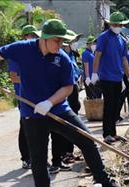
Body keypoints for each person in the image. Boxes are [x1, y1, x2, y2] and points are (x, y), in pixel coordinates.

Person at [0, 19, 122, 187]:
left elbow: (68, 87)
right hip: (32, 113)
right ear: (44, 38)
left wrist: (50, 102)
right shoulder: (23, 49)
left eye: (62, 40)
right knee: (38, 156)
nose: (60, 44)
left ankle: (103, 181)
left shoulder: (63, 58)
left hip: (59, 110)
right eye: (57, 40)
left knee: (87, 140)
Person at [92, 12, 129, 144]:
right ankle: (107, 134)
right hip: (106, 77)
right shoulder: (104, 37)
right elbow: (98, 55)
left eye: (119, 24)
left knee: (116, 107)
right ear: (110, 24)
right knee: (109, 105)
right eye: (114, 24)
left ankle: (113, 133)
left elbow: (124, 60)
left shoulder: (121, 40)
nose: (117, 26)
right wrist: (94, 73)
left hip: (118, 77)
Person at [48, 29, 84, 173]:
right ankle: (57, 160)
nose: (75, 43)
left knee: (70, 125)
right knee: (59, 127)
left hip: (72, 88)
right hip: (61, 93)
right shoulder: (58, 57)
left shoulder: (71, 55)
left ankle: (67, 153)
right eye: (73, 41)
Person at [8, 24, 40, 169]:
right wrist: (29, 80)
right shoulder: (16, 55)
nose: (32, 38)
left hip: (37, 95)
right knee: (25, 125)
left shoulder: (37, 53)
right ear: (24, 37)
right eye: (30, 35)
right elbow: (14, 77)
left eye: (35, 36)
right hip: (23, 96)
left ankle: (38, 158)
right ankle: (26, 157)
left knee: (39, 127)